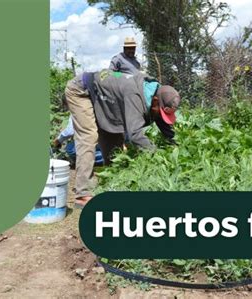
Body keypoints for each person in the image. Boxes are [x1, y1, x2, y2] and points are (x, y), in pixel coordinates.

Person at [64, 69, 181, 207]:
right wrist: (157, 155)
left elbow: (163, 123)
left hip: (104, 99)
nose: (161, 116)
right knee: (88, 136)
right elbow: (135, 134)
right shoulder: (135, 95)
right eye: (160, 111)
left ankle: (112, 181)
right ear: (155, 100)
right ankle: (82, 193)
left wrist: (177, 147)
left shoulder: (156, 93)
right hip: (82, 90)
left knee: (114, 142)